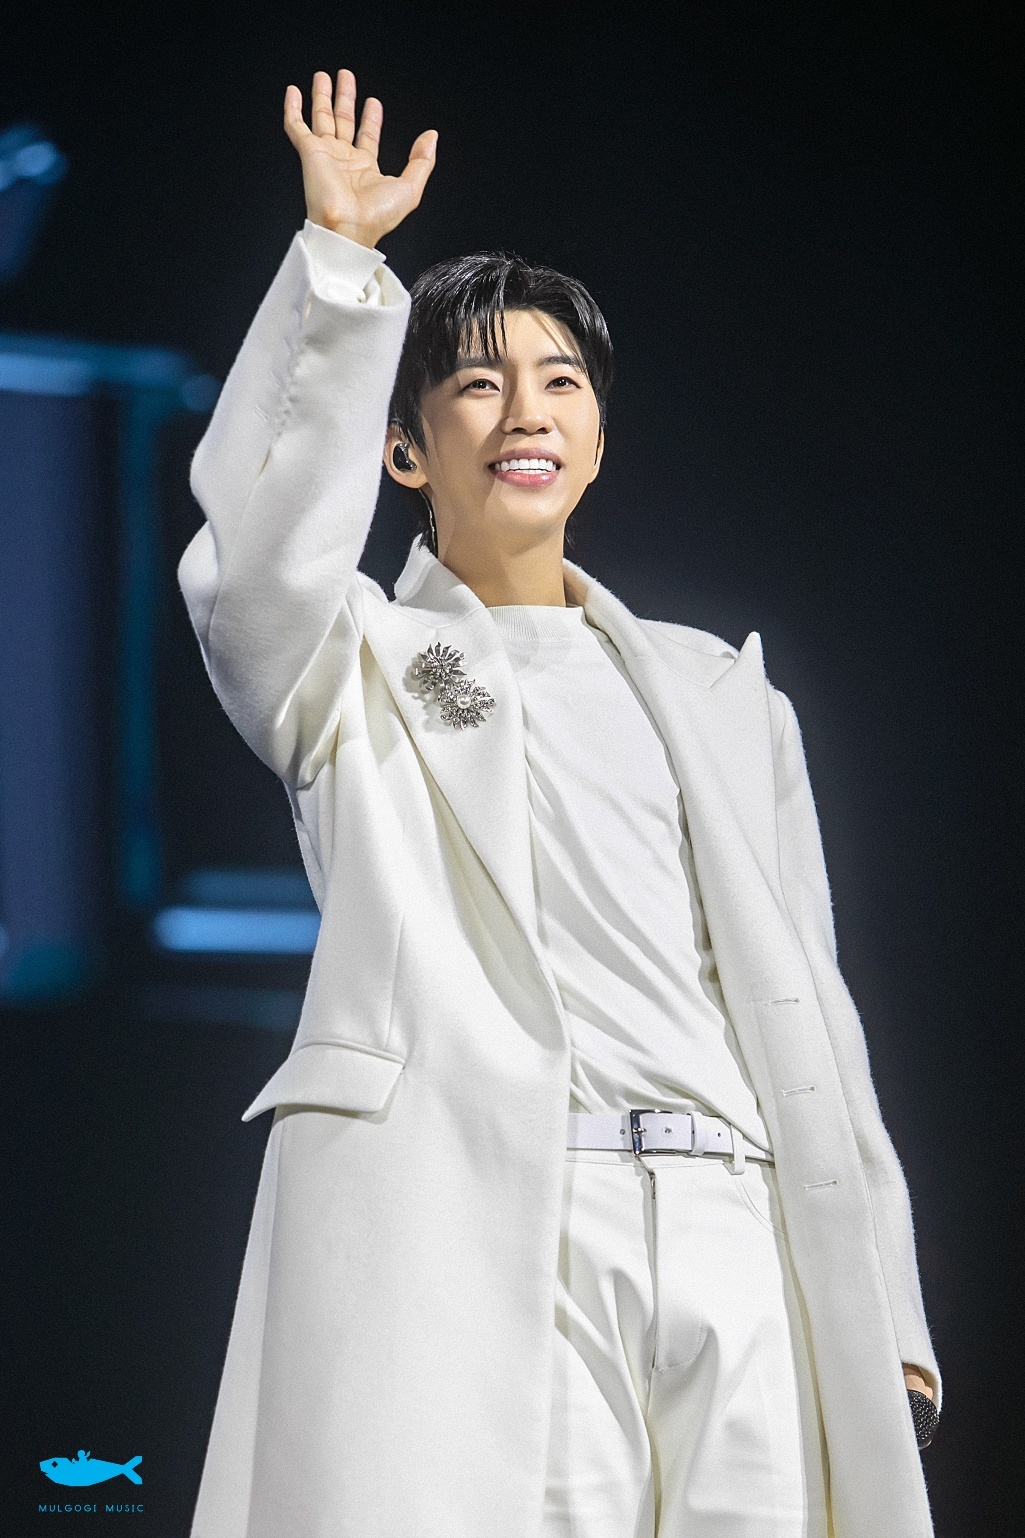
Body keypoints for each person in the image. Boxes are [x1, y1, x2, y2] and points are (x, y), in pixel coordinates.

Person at [179, 68, 940, 1538]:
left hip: (740, 1230)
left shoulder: (721, 692)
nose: (524, 410)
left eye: (560, 382)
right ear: (402, 446)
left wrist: (887, 1306)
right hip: (505, 1227)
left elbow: (813, 1011)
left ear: (597, 435)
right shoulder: (353, 663)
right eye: (476, 381)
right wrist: (340, 268)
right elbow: (253, 560)